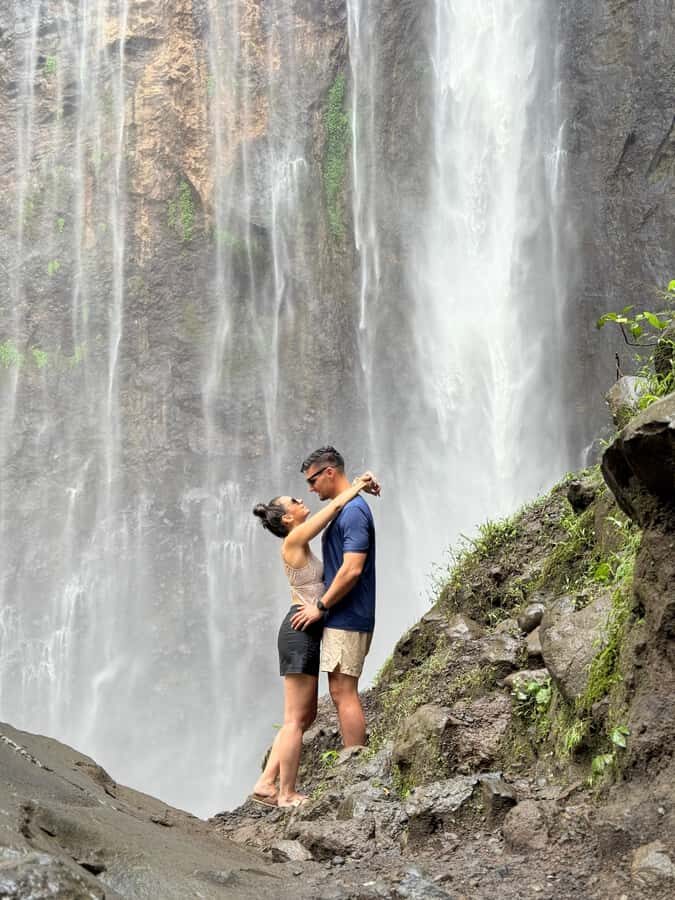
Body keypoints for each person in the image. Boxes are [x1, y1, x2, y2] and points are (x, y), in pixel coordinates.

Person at [250, 469, 379, 808]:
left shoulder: (300, 543)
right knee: (295, 719)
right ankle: (286, 793)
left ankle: (266, 783)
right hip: (297, 631)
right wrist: (357, 487)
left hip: (305, 631)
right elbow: (331, 510)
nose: (302, 498)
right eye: (295, 500)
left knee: (303, 718)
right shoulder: (293, 540)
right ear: (289, 517)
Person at [291, 446, 376, 749]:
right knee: (341, 690)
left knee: (344, 692)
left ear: (329, 472)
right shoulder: (348, 507)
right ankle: (355, 760)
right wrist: (360, 483)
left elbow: (352, 569)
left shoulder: (353, 513)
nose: (310, 489)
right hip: (345, 615)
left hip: (348, 615)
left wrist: (320, 606)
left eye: (312, 481)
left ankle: (356, 762)